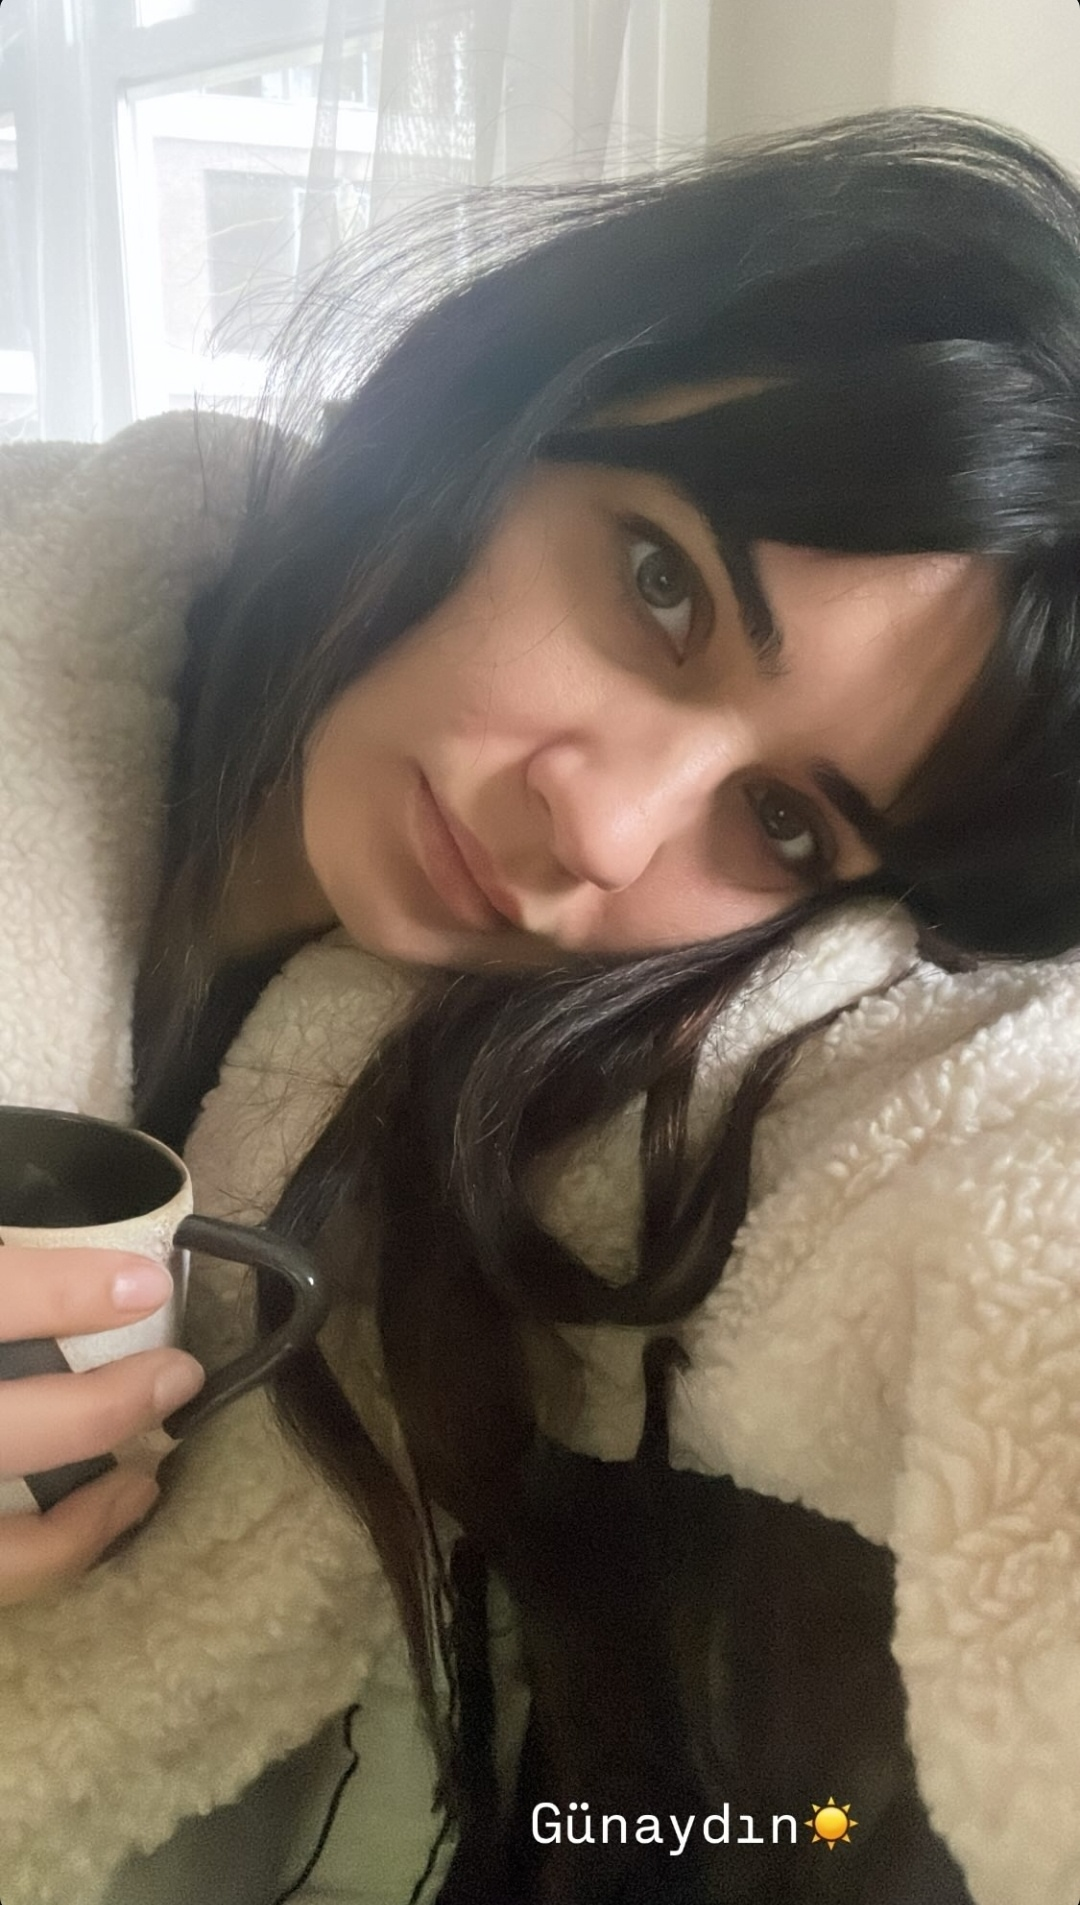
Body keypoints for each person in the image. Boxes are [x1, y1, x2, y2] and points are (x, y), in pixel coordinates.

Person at [2, 104, 1080, 1904]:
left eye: (783, 822)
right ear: (513, 400)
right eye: (661, 583)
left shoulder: (676, 1107)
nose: (606, 826)